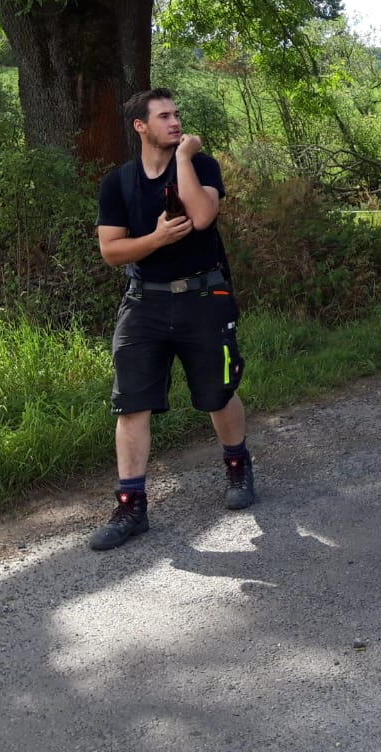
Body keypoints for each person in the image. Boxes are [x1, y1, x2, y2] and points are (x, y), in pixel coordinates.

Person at [89, 88, 254, 552]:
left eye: (177, 114)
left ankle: (238, 466)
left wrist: (183, 158)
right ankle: (131, 506)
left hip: (204, 296)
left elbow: (201, 217)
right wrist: (157, 239)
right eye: (164, 116)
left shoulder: (201, 166)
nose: (175, 121)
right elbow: (111, 250)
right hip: (144, 303)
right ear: (140, 126)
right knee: (131, 403)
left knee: (218, 393)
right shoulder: (118, 183)